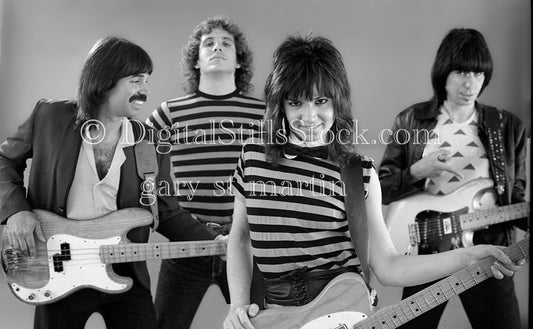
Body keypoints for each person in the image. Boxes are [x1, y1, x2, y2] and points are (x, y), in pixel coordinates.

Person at [222, 34, 524, 329]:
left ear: (337, 102)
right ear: (280, 105)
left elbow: (389, 265)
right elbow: (239, 237)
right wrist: (237, 305)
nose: (309, 116)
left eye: (321, 101)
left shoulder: (359, 172)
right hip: (271, 317)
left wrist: (469, 255)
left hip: (343, 313)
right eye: (296, 103)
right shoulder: (252, 157)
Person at [0, 36, 221, 329]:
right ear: (105, 80)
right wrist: (16, 211)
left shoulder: (149, 142)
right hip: (57, 270)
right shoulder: (50, 117)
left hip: (125, 274)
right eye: (136, 80)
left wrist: (216, 242)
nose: (145, 90)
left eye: (147, 80)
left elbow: (166, 212)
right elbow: (4, 160)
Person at [378, 28, 528, 329]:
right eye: (461, 72)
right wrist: (419, 171)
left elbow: (515, 199)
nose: (470, 83)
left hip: (488, 248)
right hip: (429, 248)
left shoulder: (507, 125)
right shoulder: (412, 120)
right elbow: (381, 187)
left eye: (478, 73)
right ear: (443, 73)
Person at [146, 16, 265, 329]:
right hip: (188, 240)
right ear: (195, 60)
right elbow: (135, 165)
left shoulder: (264, 114)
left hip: (247, 244)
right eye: (208, 44)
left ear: (239, 61)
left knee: (262, 325)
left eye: (226, 44)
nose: (217, 48)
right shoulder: (168, 112)